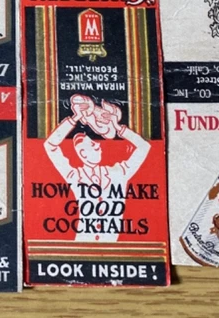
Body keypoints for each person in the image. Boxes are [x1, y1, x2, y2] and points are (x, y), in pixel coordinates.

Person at [44, 93, 151, 242]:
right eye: (93, 145)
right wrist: (74, 118)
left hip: (113, 247)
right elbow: (50, 145)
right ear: (83, 153)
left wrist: (118, 128)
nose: (99, 147)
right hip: (81, 244)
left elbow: (144, 146)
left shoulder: (117, 173)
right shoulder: (75, 176)